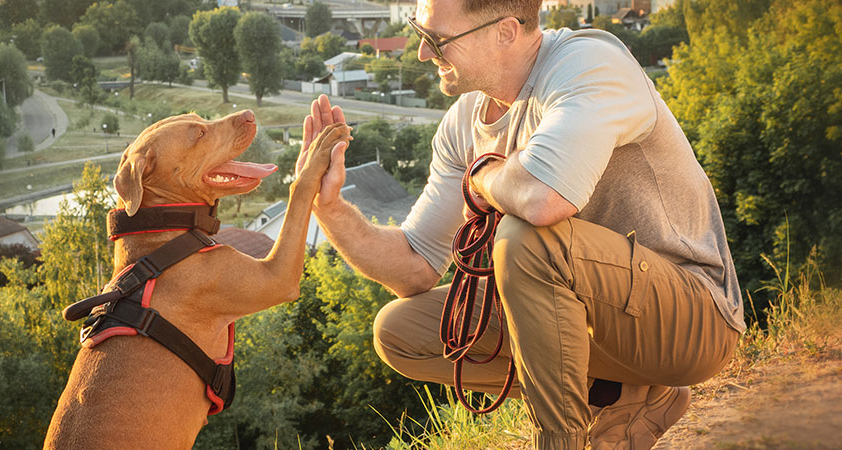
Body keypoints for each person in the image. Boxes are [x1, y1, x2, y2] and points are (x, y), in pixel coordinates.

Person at [296, 0, 744, 448]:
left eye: (436, 39)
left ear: (505, 31)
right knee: (399, 331)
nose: (422, 53)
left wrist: (482, 175)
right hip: (599, 323)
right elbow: (414, 267)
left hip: (694, 319)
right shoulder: (462, 124)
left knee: (525, 239)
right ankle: (621, 394)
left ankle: (561, 440)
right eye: (420, 31)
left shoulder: (591, 66)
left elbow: (544, 199)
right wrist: (328, 207)